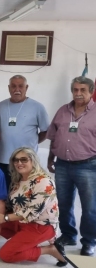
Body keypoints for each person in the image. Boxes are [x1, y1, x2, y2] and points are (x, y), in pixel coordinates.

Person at [0, 147, 66, 266]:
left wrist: (4, 218)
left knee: (6, 255)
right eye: (15, 160)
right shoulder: (18, 180)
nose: (19, 163)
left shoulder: (44, 181)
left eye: (23, 160)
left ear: (33, 161)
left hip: (41, 226)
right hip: (21, 222)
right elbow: (9, 205)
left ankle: (50, 250)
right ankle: (24, 243)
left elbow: (32, 212)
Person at [47, 76, 96, 257]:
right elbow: (53, 136)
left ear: (91, 92)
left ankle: (89, 241)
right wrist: (51, 158)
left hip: (89, 166)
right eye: (75, 90)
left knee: (90, 207)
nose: (78, 93)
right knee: (64, 204)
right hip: (62, 166)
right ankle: (68, 235)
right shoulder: (62, 111)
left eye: (82, 90)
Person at [0, 75, 49, 189]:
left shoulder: (38, 107)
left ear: (26, 87)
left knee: (25, 193)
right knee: (4, 192)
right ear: (9, 88)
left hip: (26, 160)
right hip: (4, 159)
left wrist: (32, 143)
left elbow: (46, 131)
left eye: (20, 86)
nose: (16, 89)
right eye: (13, 86)